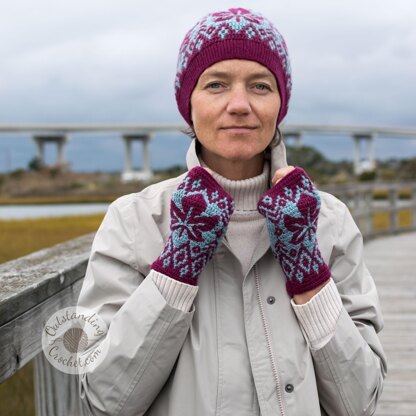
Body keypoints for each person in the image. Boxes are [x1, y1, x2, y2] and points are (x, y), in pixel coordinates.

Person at [77, 7, 387, 416]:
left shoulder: (328, 220)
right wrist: (177, 265)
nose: (239, 104)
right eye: (216, 84)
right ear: (189, 103)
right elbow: (104, 399)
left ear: (280, 104)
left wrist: (307, 270)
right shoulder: (135, 220)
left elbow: (359, 401)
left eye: (260, 86)